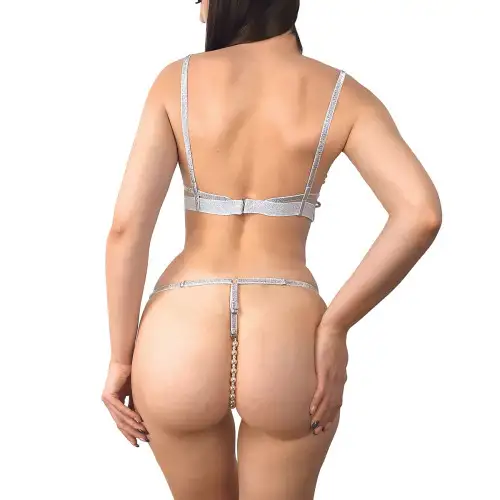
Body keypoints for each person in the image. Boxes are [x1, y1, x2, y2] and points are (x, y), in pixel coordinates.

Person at [101, 1, 442, 498]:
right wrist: (336, 325)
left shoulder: (177, 82)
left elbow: (126, 229)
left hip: (179, 333)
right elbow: (421, 212)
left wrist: (120, 357)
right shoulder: (340, 93)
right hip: (289, 339)